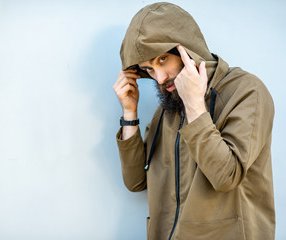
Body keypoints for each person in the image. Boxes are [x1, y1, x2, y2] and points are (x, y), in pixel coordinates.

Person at [113, 2, 275, 240]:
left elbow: (226, 177)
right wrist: (129, 114)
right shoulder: (167, 110)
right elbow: (136, 181)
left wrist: (195, 106)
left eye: (162, 60)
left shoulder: (246, 92)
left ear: (187, 49)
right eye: (148, 69)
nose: (159, 78)